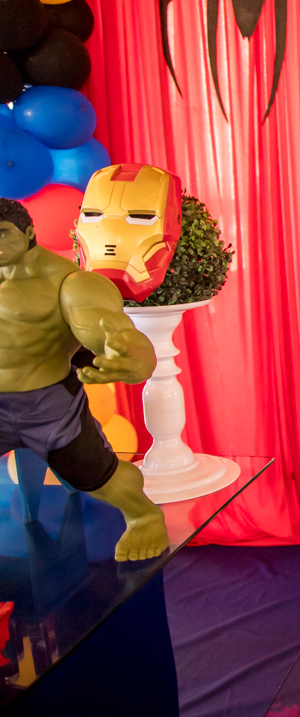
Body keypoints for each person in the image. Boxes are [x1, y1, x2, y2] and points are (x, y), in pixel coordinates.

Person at [0, 199, 167, 562]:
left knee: (98, 479)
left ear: (28, 232)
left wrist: (131, 358)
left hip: (46, 404)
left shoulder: (70, 283)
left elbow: (114, 332)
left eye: (2, 234)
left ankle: (144, 516)